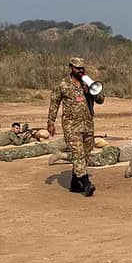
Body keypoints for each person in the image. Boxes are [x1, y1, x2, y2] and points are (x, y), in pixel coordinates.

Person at [47, 58, 105, 196]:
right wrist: (50, 122)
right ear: (71, 68)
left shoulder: (88, 82)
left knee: (86, 154)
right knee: (78, 153)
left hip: (87, 124)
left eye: (82, 68)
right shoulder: (63, 84)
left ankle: (74, 183)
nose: (80, 70)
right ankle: (86, 183)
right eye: (78, 68)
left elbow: (101, 100)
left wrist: (90, 92)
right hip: (71, 126)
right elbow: (54, 102)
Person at [50, 133, 132, 167]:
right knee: (96, 162)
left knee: (90, 157)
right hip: (114, 154)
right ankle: (65, 156)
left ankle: (64, 156)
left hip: (113, 151)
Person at [0, 137, 66, 161]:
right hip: (46, 148)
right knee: (25, 153)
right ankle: (8, 156)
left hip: (45, 146)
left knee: (22, 150)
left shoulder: (67, 137)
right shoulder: (71, 141)